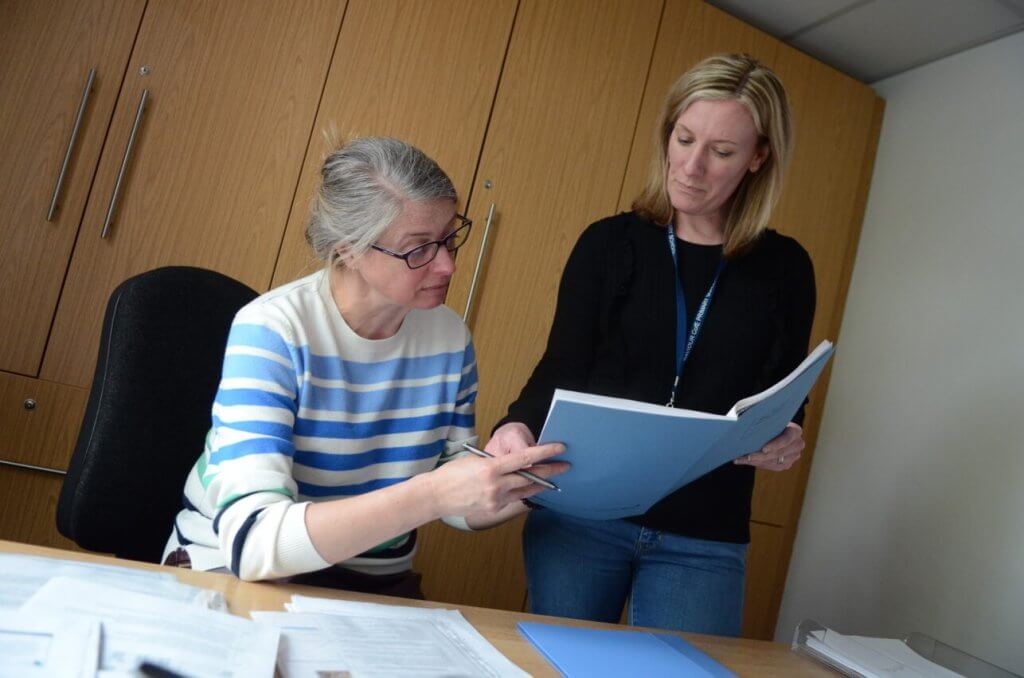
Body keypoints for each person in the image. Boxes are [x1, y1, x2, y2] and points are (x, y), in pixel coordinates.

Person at [486, 53, 815, 634]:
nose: (691, 166)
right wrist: (514, 425)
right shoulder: (608, 244)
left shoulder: (786, 268)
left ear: (759, 157)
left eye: (721, 152)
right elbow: (562, 364)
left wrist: (787, 432)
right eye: (684, 138)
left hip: (704, 534)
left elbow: (783, 391)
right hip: (582, 514)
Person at [163, 137, 566, 595]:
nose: (449, 266)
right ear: (349, 250)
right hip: (235, 570)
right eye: (420, 249)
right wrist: (434, 492)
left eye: (450, 238)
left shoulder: (450, 338)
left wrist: (522, 476)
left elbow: (456, 499)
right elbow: (255, 545)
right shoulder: (274, 330)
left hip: (370, 579)